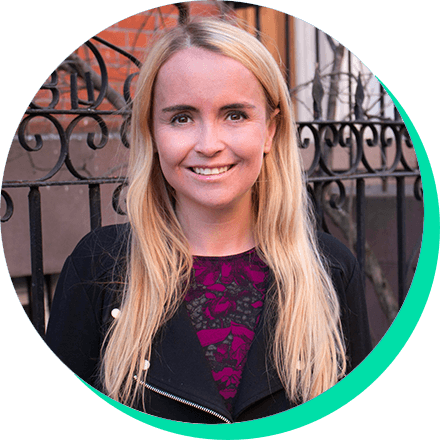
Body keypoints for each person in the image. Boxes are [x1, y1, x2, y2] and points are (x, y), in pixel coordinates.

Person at [45, 17, 372, 424]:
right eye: (181, 118)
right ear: (152, 132)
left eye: (235, 115)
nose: (209, 144)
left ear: (270, 131)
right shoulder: (99, 266)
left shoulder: (330, 268)